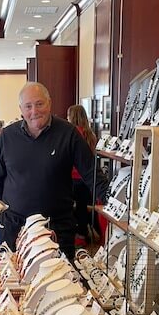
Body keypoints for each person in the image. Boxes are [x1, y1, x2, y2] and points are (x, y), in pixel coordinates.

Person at [0, 82, 109, 260]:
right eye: (28, 106)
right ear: (21, 109)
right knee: (17, 282)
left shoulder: (69, 133)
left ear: (49, 103)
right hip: (15, 226)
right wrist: (0, 212)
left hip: (57, 227)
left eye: (39, 104)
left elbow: (92, 174)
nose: (34, 111)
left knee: (61, 283)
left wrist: (116, 205)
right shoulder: (7, 136)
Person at [67, 104, 98, 246]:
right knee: (82, 207)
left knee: (67, 206)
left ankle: (70, 234)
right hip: (86, 178)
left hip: (72, 176)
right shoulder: (90, 134)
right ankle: (82, 234)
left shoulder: (71, 133)